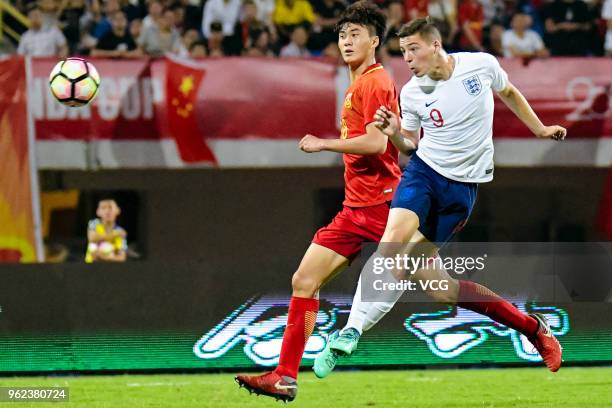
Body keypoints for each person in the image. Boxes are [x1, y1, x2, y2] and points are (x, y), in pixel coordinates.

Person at [314, 17, 567, 378]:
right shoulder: (413, 92)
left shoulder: (480, 65)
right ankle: (351, 331)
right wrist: (393, 133)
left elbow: (509, 92)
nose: (408, 59)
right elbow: (409, 146)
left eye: (413, 49)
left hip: (461, 190)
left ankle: (533, 330)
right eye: (403, 52)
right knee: (391, 245)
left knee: (442, 290)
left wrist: (540, 128)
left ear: (435, 46)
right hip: (423, 174)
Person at [235, 2, 402, 402]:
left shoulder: (376, 81)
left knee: (441, 290)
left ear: (375, 41)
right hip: (354, 209)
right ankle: (285, 376)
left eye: (356, 34)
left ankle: (529, 327)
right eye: (342, 34)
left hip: (386, 206)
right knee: (303, 280)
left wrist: (323, 142)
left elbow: (378, 143)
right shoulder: (357, 83)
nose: (346, 41)